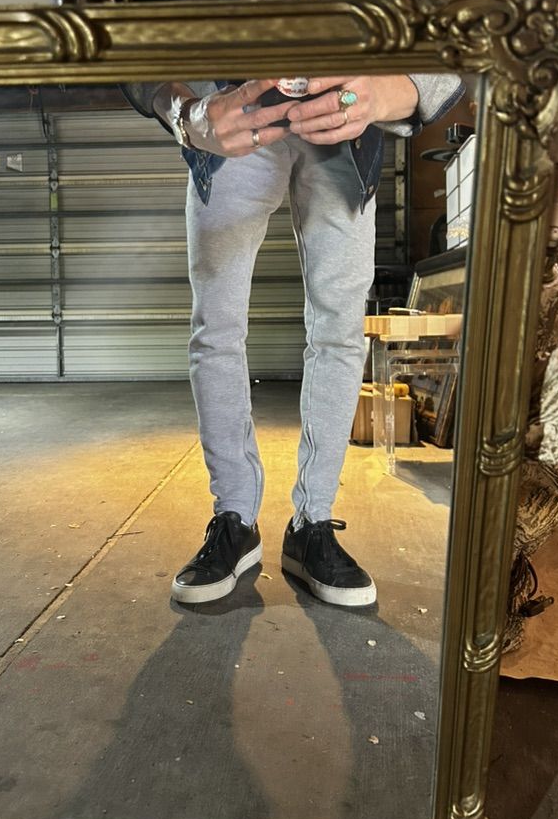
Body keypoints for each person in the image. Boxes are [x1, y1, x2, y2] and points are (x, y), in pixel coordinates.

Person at [122, 72, 464, 607]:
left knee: (340, 332)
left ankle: (313, 524)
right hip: (233, 103)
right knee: (217, 327)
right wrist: (186, 116)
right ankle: (234, 519)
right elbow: (127, 49)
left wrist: (386, 92)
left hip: (344, 125)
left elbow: (449, 60)